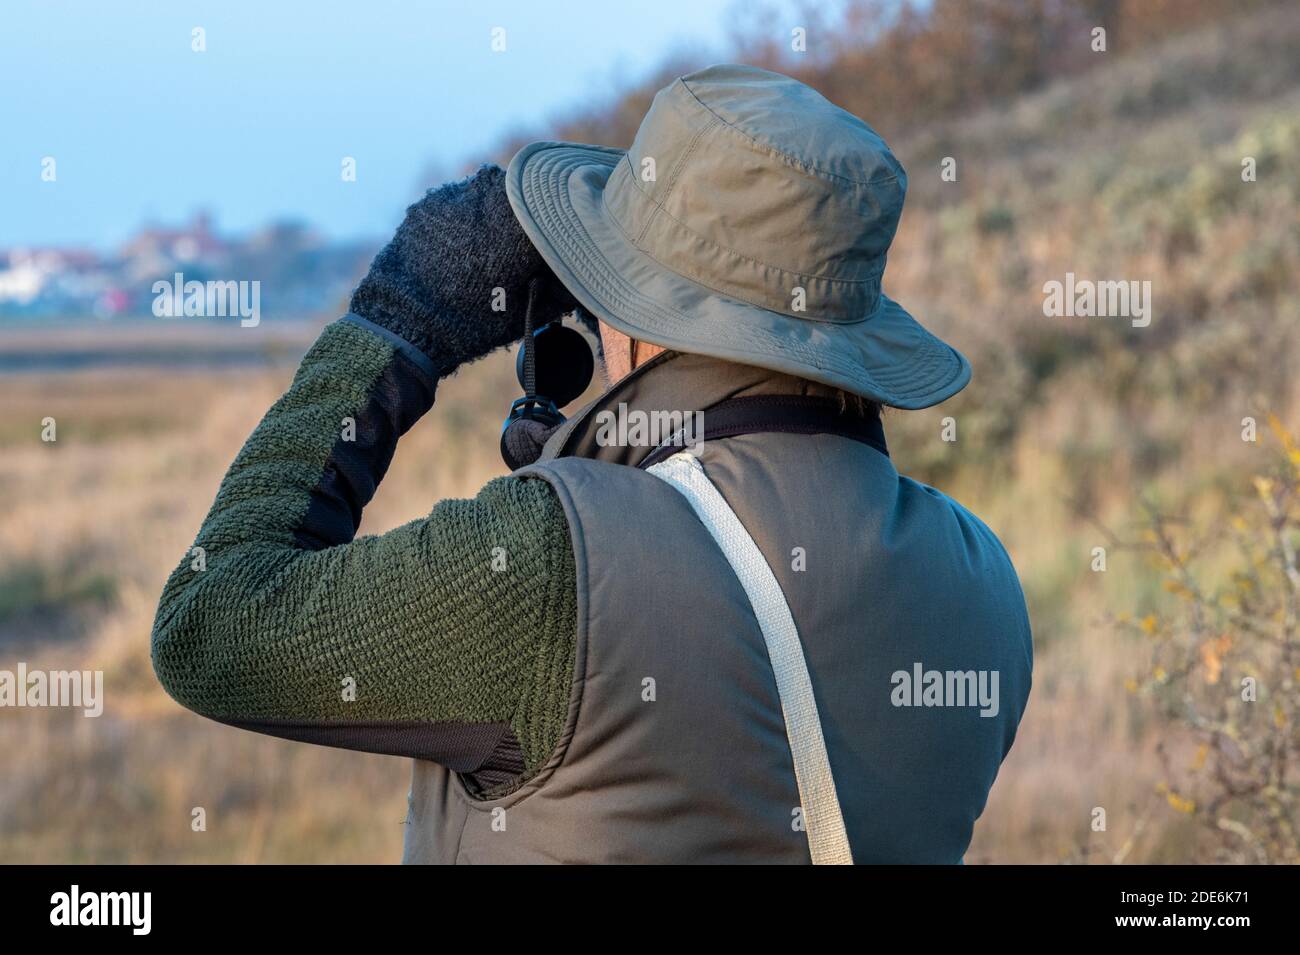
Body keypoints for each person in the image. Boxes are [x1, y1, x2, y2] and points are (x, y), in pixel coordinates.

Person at [151, 64, 1032, 864]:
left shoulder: (552, 567)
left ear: (640, 314)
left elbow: (207, 623)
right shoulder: (982, 580)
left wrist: (398, 324)